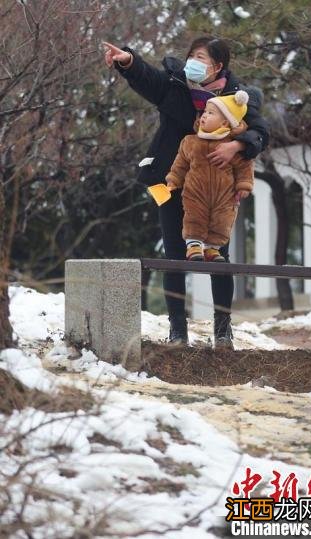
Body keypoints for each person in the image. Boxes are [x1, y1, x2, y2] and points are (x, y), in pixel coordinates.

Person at [103, 36, 269, 348]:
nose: (192, 61)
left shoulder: (238, 98)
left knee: (218, 256)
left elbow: (261, 132)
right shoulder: (175, 84)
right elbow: (149, 78)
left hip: (216, 191)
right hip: (168, 182)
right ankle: (177, 330)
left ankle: (223, 329)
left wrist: (237, 144)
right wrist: (128, 60)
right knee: (174, 254)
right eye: (191, 54)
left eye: (201, 57)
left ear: (218, 65)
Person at [165, 90, 254, 263]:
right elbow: (181, 163)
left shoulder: (231, 146)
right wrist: (173, 179)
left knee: (222, 221)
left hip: (224, 195)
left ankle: (212, 249)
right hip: (195, 192)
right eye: (205, 112)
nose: (204, 116)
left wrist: (244, 185)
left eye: (210, 113)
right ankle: (194, 245)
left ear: (225, 122)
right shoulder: (191, 141)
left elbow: (245, 165)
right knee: (194, 216)